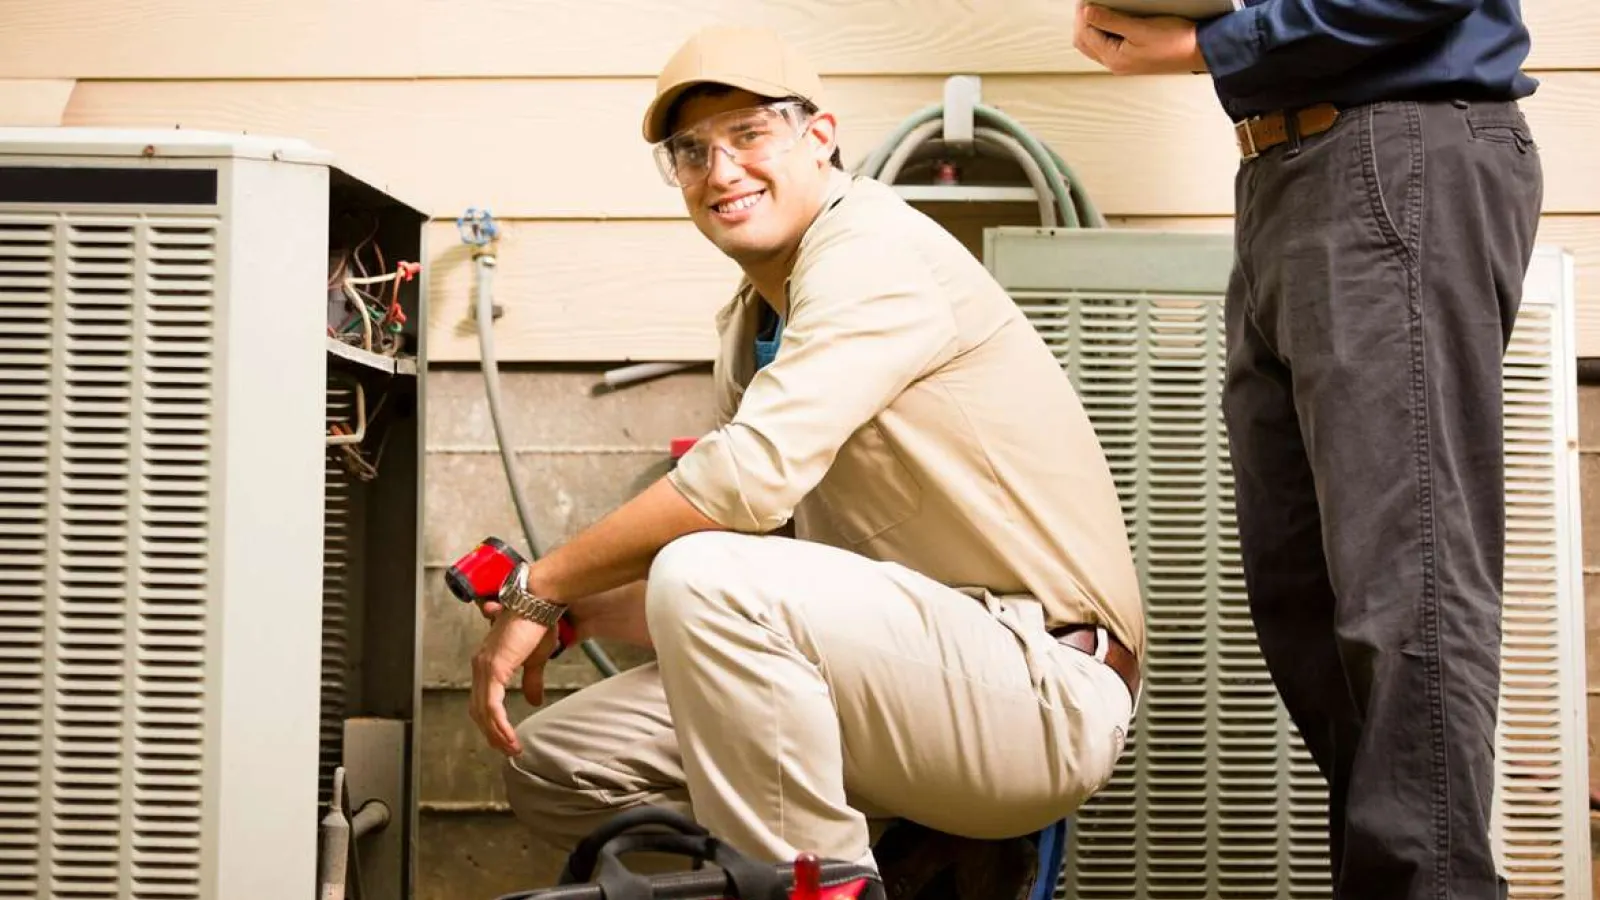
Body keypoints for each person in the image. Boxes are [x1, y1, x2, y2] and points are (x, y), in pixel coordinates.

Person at [463, 22, 1145, 890]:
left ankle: (821, 886)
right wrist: (584, 613)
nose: (721, 171)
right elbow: (766, 576)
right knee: (556, 764)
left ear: (819, 137)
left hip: (1034, 685)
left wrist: (547, 582)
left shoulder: (874, 252)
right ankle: (819, 873)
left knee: (706, 573)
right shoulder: (753, 319)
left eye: (750, 134)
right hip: (891, 673)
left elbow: (740, 491)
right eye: (692, 152)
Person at [1072, 3, 1543, 899]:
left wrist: (1212, 44)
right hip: (1286, 172)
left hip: (1392, 150)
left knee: (1407, 596)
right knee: (1305, 605)